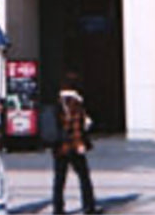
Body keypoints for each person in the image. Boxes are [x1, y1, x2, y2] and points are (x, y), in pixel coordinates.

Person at [51, 72, 102, 214]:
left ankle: (58, 208)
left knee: (59, 179)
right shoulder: (74, 103)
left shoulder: (58, 101)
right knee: (84, 176)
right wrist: (80, 143)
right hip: (72, 145)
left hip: (58, 146)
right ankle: (88, 206)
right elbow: (75, 126)